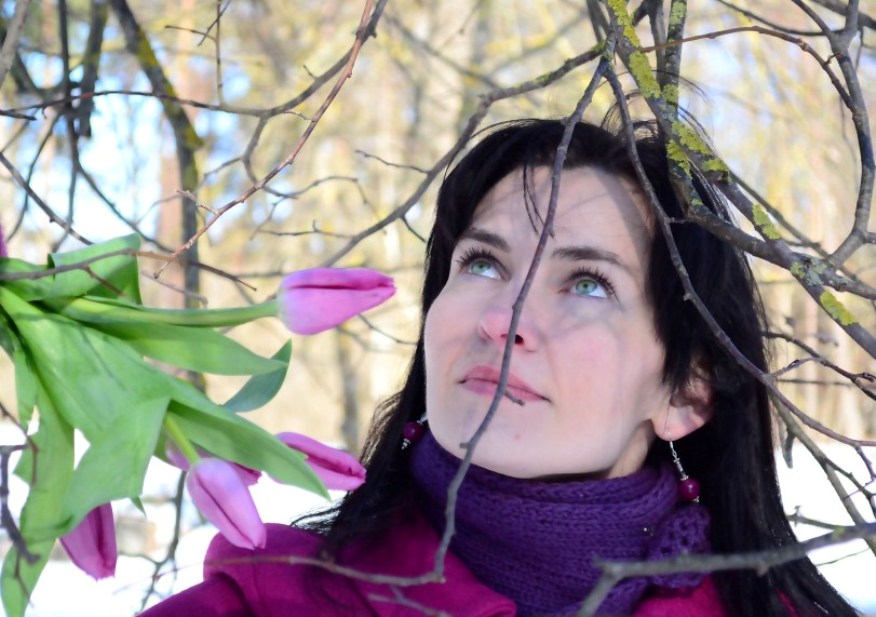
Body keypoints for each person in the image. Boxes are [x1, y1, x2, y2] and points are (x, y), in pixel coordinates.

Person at [141, 117, 860, 616]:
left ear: (687, 390)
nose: (502, 319)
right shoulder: (268, 603)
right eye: (483, 263)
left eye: (588, 283)